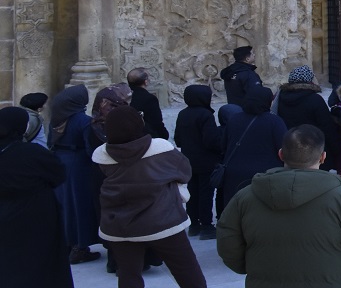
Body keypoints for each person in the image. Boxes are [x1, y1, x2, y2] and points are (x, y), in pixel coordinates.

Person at [217, 125, 341, 288]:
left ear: (281, 154)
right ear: (322, 157)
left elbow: (227, 241)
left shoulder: (245, 198)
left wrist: (254, 269)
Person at [94, 105, 207, 288]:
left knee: (128, 276)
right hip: (163, 219)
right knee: (187, 271)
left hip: (119, 224)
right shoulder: (160, 149)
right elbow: (184, 171)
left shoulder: (102, 157)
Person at [0, 106, 73, 288]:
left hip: (6, 214)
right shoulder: (33, 153)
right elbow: (58, 174)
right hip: (37, 214)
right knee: (41, 259)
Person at [48, 84, 101, 265]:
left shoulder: (57, 119)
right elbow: (89, 148)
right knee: (79, 205)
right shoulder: (83, 121)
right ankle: (80, 246)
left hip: (60, 161)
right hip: (78, 166)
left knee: (64, 204)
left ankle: (66, 243)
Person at [217, 85, 287, 215]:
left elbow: (224, 145)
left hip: (235, 173)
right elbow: (284, 147)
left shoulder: (234, 119)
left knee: (237, 212)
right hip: (267, 174)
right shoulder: (275, 121)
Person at [174, 84, 222, 240]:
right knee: (206, 194)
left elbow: (178, 139)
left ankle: (194, 224)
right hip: (206, 161)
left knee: (192, 193)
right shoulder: (205, 115)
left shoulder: (182, 114)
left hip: (189, 160)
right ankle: (207, 226)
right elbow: (210, 140)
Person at [276, 66, 336, 168]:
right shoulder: (315, 99)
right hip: (312, 147)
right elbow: (327, 126)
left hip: (289, 144)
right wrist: (335, 148)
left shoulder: (281, 98)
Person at [128, 68, 169, 140]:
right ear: (145, 82)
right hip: (148, 137)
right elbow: (157, 122)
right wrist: (163, 135)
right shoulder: (149, 99)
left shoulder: (126, 97)